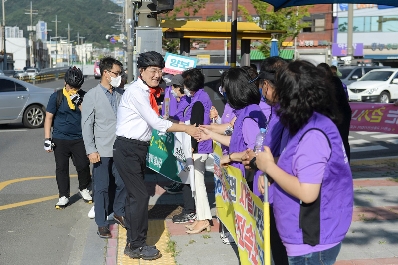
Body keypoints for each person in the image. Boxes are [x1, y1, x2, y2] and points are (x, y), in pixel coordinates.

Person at [250, 60, 353, 264]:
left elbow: (307, 193)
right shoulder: (307, 122)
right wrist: (271, 168)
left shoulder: (313, 133)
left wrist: (269, 167)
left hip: (311, 240)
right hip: (305, 235)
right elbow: (296, 160)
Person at [113, 51, 199, 260]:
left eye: (160, 71)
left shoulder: (148, 91)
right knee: (141, 196)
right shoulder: (137, 92)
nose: (157, 75)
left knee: (136, 197)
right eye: (153, 71)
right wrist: (185, 129)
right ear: (142, 71)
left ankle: (133, 243)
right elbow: (157, 122)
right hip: (128, 149)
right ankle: (136, 245)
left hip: (136, 149)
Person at [81, 57, 127, 238]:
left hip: (120, 148)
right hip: (100, 149)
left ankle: (118, 210)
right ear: (106, 73)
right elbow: (86, 125)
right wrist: (90, 149)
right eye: (116, 73)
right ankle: (101, 222)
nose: (119, 76)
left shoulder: (120, 94)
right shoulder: (92, 95)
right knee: (101, 187)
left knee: (123, 183)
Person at [43, 67, 92, 209]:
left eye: (77, 87)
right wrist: (47, 139)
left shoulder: (84, 96)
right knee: (61, 168)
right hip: (60, 138)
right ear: (65, 83)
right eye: (71, 86)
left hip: (79, 138)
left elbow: (90, 115)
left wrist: (80, 102)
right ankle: (63, 195)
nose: (74, 89)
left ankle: (84, 188)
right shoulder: (56, 96)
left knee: (83, 166)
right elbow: (49, 117)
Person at [174, 68, 214, 234]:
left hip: (199, 147)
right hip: (200, 146)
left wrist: (191, 147)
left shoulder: (198, 100)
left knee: (198, 185)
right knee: (197, 185)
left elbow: (196, 126)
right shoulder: (201, 96)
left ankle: (203, 219)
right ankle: (200, 218)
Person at [318, 63, 352, 162]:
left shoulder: (326, 83)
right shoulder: (335, 80)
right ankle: (345, 163)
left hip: (337, 114)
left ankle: (338, 163)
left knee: (336, 141)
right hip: (343, 113)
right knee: (343, 140)